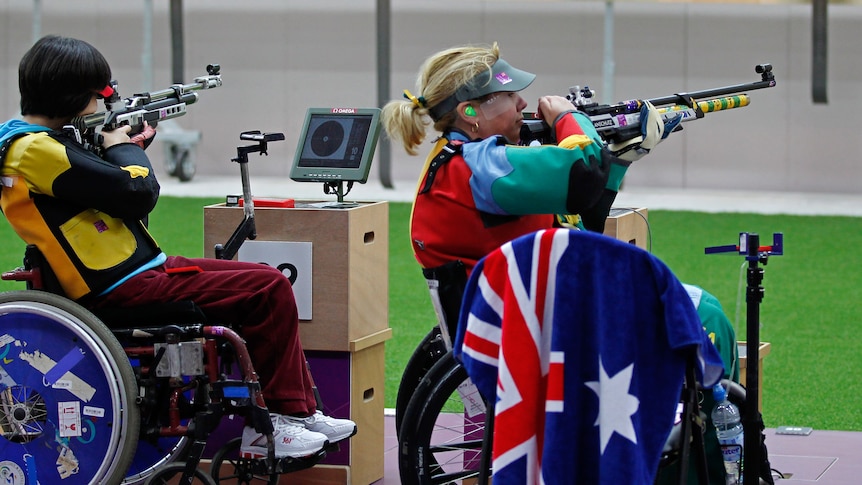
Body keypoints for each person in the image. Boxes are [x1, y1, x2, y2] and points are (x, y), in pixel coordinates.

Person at [382, 41, 739, 483]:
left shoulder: (463, 161)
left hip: (529, 315)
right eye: (509, 97)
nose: (523, 103)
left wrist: (622, 156)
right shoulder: (480, 165)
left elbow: (579, 212)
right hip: (542, 327)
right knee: (705, 316)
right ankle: (696, 466)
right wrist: (570, 117)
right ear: (470, 112)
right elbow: (581, 168)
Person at [0, 35, 355, 460]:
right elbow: (137, 191)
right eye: (96, 96)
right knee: (267, 288)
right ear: (75, 96)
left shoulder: (36, 142)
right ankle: (275, 423)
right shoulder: (35, 149)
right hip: (117, 286)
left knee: (268, 282)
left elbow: (107, 190)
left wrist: (126, 149)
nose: (99, 107)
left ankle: (296, 414)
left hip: (131, 272)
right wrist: (125, 147)